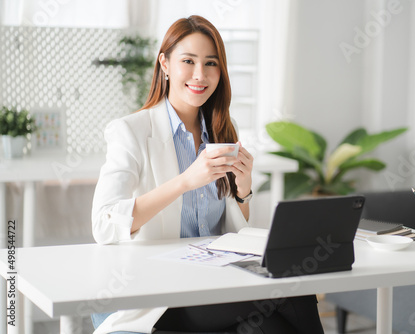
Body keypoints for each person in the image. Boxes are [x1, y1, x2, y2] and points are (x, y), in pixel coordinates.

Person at [91, 15, 324, 334]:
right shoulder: (130, 132)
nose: (200, 75)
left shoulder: (223, 131)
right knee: (289, 294)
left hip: (218, 279)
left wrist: (243, 190)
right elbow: (103, 224)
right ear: (165, 64)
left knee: (272, 321)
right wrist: (185, 181)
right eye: (188, 61)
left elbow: (232, 229)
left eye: (211, 63)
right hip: (161, 292)